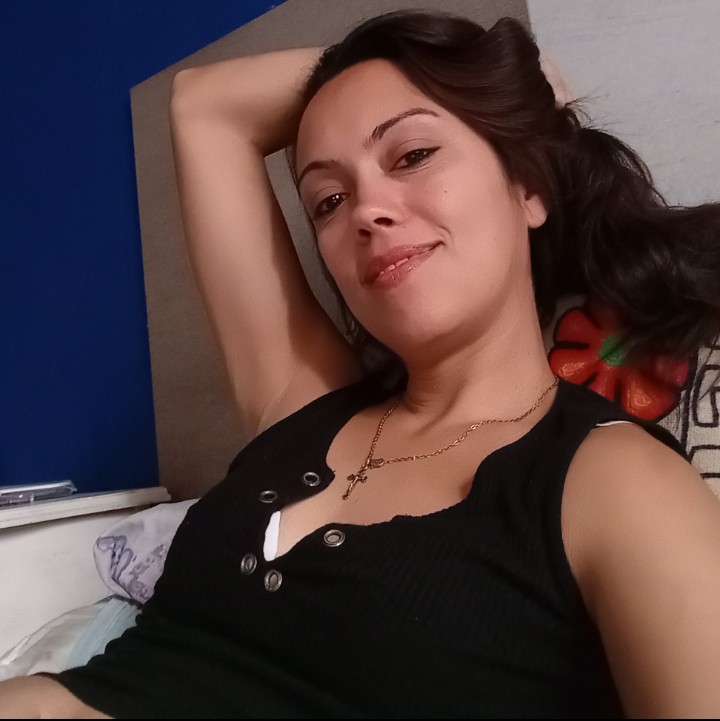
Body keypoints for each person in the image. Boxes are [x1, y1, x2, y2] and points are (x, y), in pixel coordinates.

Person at [2, 8, 720, 718]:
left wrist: (498, 83)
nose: (366, 211)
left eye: (413, 155)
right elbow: (203, 105)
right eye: (330, 199)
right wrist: (509, 78)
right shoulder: (303, 402)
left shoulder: (615, 483)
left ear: (528, 184)